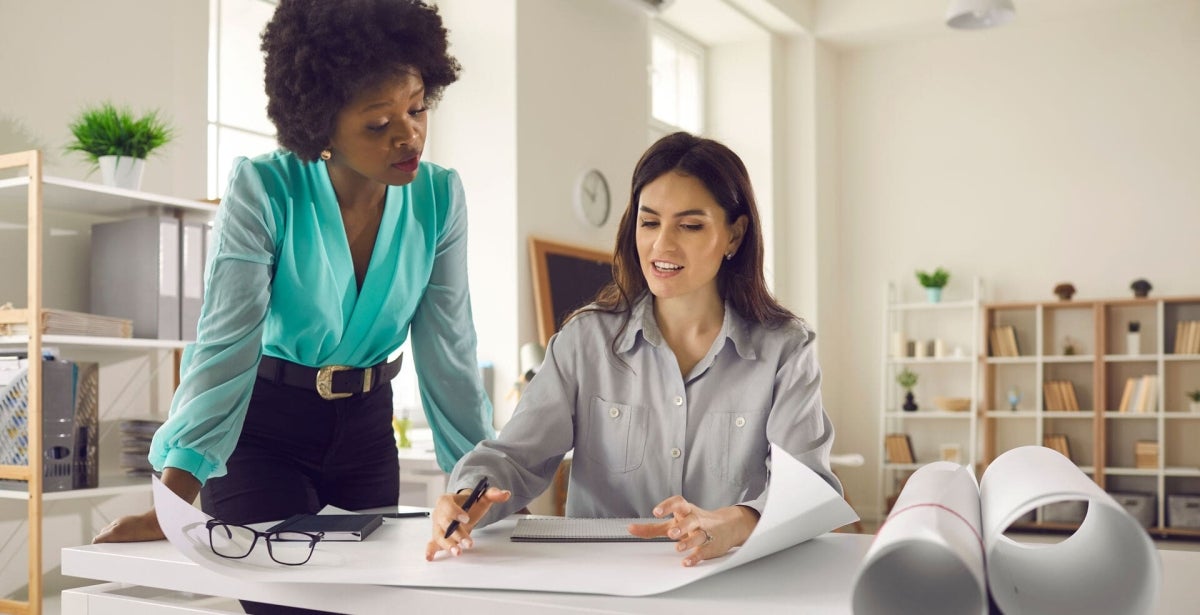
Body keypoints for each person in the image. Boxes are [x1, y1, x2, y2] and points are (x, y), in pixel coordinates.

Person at [95, 0, 491, 575]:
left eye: (418, 108)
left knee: (374, 599)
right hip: (261, 434)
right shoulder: (264, 188)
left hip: (367, 434)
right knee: (286, 597)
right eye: (379, 123)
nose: (409, 136)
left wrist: (483, 485)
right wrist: (174, 500)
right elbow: (224, 346)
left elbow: (450, 354)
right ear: (320, 124)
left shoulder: (439, 197)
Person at [425, 132, 842, 567]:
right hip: (601, 585)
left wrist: (734, 523)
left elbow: (811, 488)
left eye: (690, 225)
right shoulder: (585, 341)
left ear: (734, 236)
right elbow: (515, 457)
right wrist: (467, 494)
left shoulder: (786, 349)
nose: (663, 245)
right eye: (650, 222)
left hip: (728, 578)